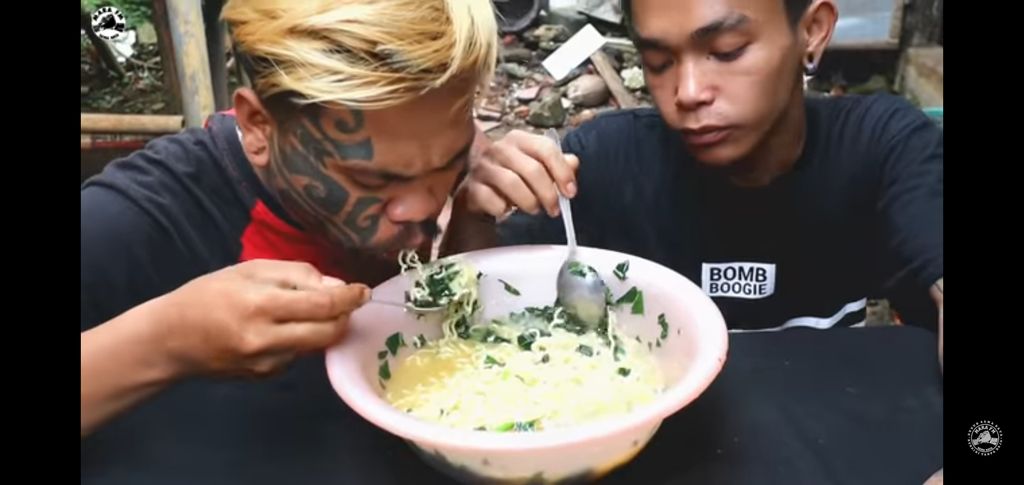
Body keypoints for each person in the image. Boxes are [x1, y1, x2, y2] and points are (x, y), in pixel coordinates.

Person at [81, 0, 507, 436]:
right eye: (372, 179)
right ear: (258, 126)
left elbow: (436, 340)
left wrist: (473, 217)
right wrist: (166, 341)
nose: (420, 206)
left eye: (449, 162)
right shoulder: (129, 221)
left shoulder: (413, 146)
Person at [447, 0, 943, 350]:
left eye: (726, 51)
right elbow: (470, 321)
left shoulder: (882, 150)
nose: (687, 92)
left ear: (811, 31)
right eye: (659, 62)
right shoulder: (600, 163)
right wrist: (472, 214)